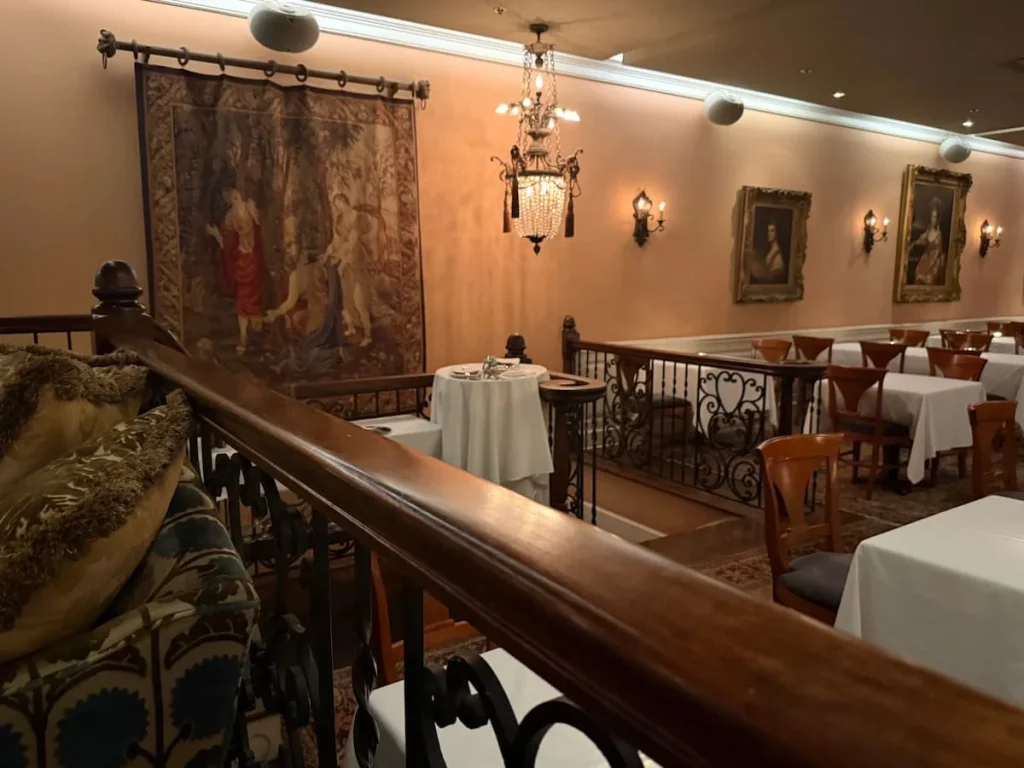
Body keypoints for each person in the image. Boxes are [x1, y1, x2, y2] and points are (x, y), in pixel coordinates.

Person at [206, 187, 263, 354]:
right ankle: (244, 337)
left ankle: (252, 335)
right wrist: (216, 235)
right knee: (243, 298)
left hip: (253, 257)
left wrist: (254, 213)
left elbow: (259, 225)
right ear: (228, 199)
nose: (233, 196)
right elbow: (228, 242)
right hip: (242, 257)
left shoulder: (248, 206)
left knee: (253, 296)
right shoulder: (230, 215)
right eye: (230, 195)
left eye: (234, 192)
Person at [319, 208, 374, 348]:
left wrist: (341, 262)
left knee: (359, 304)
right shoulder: (342, 244)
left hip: (357, 277)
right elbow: (334, 251)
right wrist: (329, 257)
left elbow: (349, 258)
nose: (341, 230)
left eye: (342, 226)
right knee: (346, 304)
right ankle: (352, 327)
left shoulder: (354, 244)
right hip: (347, 278)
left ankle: (368, 336)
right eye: (339, 227)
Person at [911, 198, 946, 285]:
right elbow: (919, 241)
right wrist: (910, 246)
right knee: (918, 274)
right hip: (926, 259)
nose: (933, 219)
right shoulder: (927, 232)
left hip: (935, 262)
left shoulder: (940, 234)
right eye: (932, 216)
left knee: (930, 279)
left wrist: (941, 261)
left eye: (935, 217)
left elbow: (941, 251)